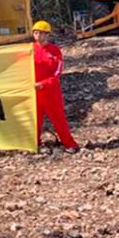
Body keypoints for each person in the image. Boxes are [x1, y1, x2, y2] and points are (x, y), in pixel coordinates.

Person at [32, 20, 78, 153]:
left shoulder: (55, 50)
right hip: (34, 91)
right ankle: (36, 144)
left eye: (42, 33)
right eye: (36, 33)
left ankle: (69, 144)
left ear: (48, 35)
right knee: (35, 119)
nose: (39, 36)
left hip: (51, 91)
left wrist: (44, 84)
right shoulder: (29, 49)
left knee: (58, 118)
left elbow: (58, 72)